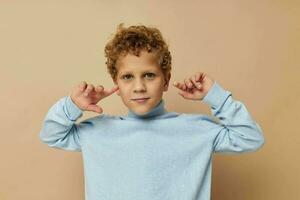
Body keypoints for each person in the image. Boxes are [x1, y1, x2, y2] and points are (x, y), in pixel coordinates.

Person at [39, 23, 265, 200]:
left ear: (165, 81)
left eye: (149, 75)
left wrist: (216, 96)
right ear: (116, 83)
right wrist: (73, 105)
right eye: (128, 77)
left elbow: (250, 138)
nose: (139, 87)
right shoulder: (98, 131)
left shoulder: (197, 130)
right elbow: (51, 134)